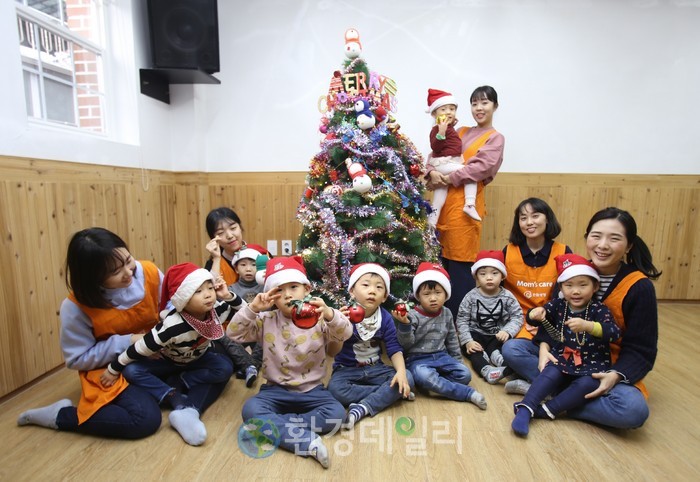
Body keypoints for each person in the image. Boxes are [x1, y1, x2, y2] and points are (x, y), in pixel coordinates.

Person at [501, 207, 661, 429]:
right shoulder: (574, 272)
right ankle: (561, 396)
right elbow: (554, 317)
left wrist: (615, 375)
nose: (602, 245)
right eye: (596, 236)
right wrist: (545, 347)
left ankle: (546, 395)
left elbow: (642, 350)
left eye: (614, 239)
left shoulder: (639, 287)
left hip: (602, 367)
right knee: (512, 349)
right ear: (587, 238)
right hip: (564, 357)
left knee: (633, 410)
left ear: (629, 246)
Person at [17, 227, 163, 439]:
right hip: (108, 371)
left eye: (128, 260)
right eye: (115, 272)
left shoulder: (148, 271)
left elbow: (171, 304)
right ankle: (61, 415)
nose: (128, 272)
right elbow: (77, 359)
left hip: (152, 354)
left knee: (211, 366)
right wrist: (129, 341)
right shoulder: (75, 307)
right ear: (93, 278)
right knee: (144, 420)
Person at [227, 256, 352, 469]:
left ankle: (275, 425)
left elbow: (345, 333)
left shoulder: (319, 318)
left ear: (306, 289)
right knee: (250, 409)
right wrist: (253, 308)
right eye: (279, 290)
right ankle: (305, 441)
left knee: (337, 415)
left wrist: (330, 313)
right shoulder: (266, 320)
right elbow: (234, 334)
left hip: (313, 391)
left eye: (293, 287)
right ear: (271, 296)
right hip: (274, 390)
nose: (287, 295)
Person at [100, 262, 242, 446]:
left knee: (224, 367)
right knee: (132, 371)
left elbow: (246, 312)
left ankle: (182, 380)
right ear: (183, 299)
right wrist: (113, 369)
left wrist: (228, 295)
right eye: (198, 291)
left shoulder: (216, 310)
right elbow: (138, 348)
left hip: (197, 358)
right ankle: (172, 395)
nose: (208, 294)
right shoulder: (171, 327)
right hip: (167, 360)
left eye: (210, 288)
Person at [511, 254, 621, 436]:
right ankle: (526, 407)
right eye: (569, 285)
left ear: (595, 286)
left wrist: (589, 326)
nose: (575, 291)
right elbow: (537, 318)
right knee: (548, 373)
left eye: (583, 285)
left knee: (588, 384)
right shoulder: (558, 305)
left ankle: (546, 410)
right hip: (563, 357)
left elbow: (614, 332)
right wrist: (534, 314)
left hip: (592, 364)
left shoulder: (599, 309)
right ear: (561, 288)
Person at [425, 85, 505, 318]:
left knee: (459, 269)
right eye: (474, 103)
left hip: (465, 211)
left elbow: (481, 168)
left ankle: (460, 327)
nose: (479, 108)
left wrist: (448, 177)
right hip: (442, 207)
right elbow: (435, 154)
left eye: (485, 102)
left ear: (495, 106)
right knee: (439, 267)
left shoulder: (495, 138)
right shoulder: (459, 131)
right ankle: (437, 324)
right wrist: (431, 173)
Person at [327, 263, 414, 430]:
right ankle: (388, 394)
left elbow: (394, 349)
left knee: (408, 377)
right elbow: (331, 352)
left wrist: (401, 373)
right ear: (352, 291)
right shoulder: (342, 315)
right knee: (335, 390)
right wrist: (339, 328)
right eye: (365, 285)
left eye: (379, 287)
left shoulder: (385, 318)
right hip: (346, 370)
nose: (372, 291)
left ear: (384, 296)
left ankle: (363, 407)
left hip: (376, 369)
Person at [501, 198, 572, 395]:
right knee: (509, 350)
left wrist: (545, 320)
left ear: (547, 219)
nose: (529, 222)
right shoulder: (508, 251)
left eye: (535, 216)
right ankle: (558, 388)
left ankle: (534, 383)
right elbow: (499, 293)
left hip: (553, 324)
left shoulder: (563, 252)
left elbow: (567, 297)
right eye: (523, 218)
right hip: (519, 324)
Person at [395, 262, 486, 409]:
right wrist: (405, 325)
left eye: (438, 293)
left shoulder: (447, 313)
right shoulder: (412, 316)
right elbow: (405, 344)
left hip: (442, 356)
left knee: (464, 375)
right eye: (426, 294)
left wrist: (458, 362)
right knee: (424, 375)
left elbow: (452, 339)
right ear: (418, 296)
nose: (433, 298)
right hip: (418, 360)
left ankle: (433, 383)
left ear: (446, 294)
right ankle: (466, 393)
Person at [204, 207, 264, 387]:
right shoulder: (213, 264)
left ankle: (247, 363)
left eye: (233, 227)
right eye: (220, 233)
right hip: (229, 326)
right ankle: (250, 362)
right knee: (218, 352)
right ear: (213, 238)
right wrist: (216, 258)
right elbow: (211, 297)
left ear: (240, 227)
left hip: (259, 322)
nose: (230, 235)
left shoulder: (260, 254)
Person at [455, 250, 523, 384]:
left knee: (499, 350)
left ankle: (508, 370)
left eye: (494, 273)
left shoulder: (507, 296)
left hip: (497, 336)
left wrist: (507, 331)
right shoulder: (470, 297)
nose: (489, 277)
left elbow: (518, 316)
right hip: (475, 335)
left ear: (502, 276)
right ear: (476, 277)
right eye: (483, 274)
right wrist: (468, 341)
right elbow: (462, 320)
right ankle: (487, 371)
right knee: (473, 352)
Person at [424, 88, 481, 225]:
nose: (448, 112)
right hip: (443, 163)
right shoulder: (437, 129)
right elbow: (435, 147)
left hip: (446, 164)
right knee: (469, 174)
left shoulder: (448, 128)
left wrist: (448, 128)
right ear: (434, 114)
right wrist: (441, 132)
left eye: (452, 109)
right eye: (443, 109)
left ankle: (431, 222)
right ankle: (470, 203)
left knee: (439, 197)